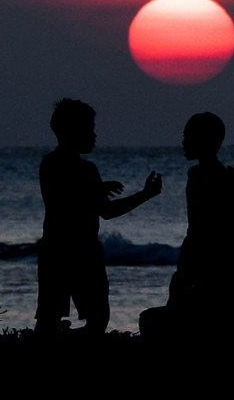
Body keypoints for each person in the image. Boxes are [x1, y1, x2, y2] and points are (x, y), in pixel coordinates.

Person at [35, 98, 162, 336]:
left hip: (64, 251)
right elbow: (76, 203)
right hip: (73, 252)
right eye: (88, 128)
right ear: (71, 131)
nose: (94, 135)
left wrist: (143, 194)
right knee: (78, 318)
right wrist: (143, 194)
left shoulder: (68, 167)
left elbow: (102, 208)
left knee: (70, 319)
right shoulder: (66, 167)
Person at [167, 112, 231, 310]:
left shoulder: (204, 175)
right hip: (199, 251)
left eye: (188, 136)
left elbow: (203, 226)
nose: (184, 142)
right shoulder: (208, 174)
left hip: (201, 253)